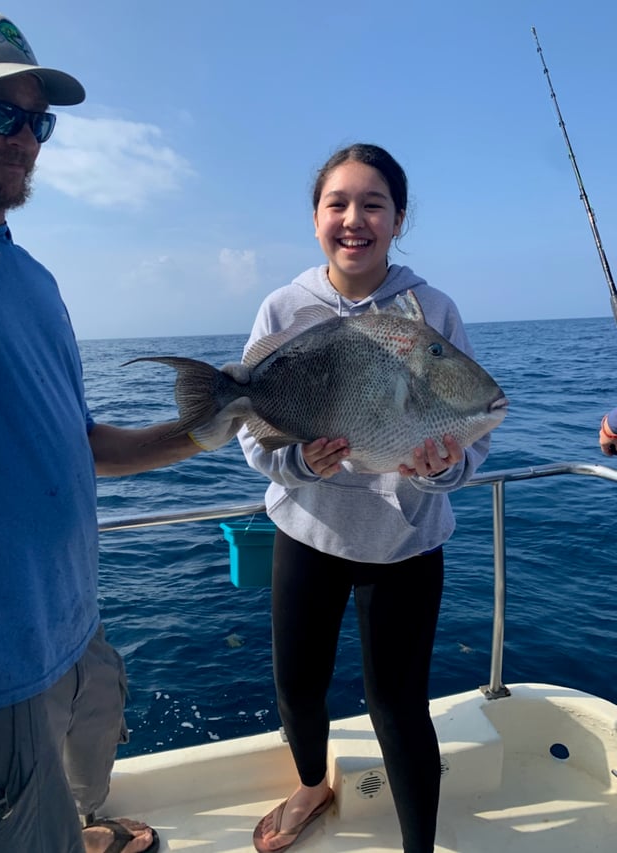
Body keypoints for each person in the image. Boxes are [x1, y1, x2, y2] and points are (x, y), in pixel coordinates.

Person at [0, 9, 216, 853]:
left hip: (74, 623)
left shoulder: (32, 277)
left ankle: (82, 828)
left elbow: (82, 445)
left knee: (81, 783)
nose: (24, 138)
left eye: (36, 121)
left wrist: (212, 428)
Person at [238, 143, 492, 853]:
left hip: (405, 542)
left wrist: (441, 470)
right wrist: (297, 461)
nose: (355, 219)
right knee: (299, 689)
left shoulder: (431, 309)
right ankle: (313, 784)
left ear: (399, 218)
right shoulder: (284, 307)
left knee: (399, 706)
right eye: (338, 203)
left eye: (373, 204)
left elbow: (470, 433)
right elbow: (253, 436)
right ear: (315, 217)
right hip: (308, 531)